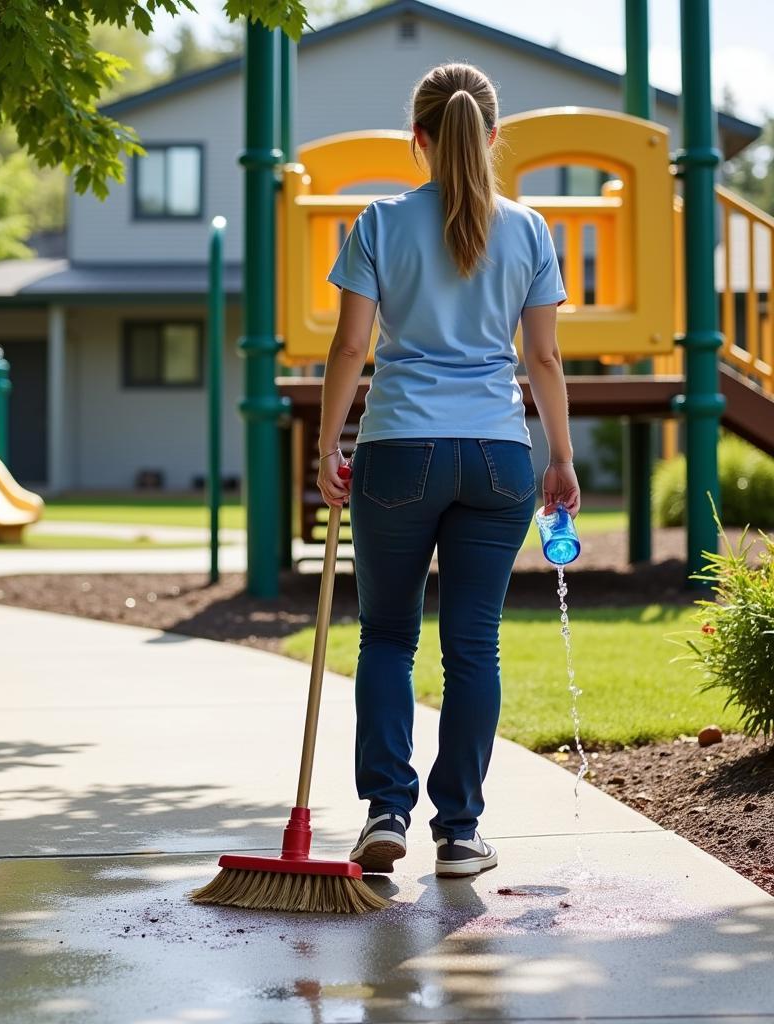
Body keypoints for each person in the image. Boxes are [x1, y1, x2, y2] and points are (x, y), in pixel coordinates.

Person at [316, 61, 580, 879]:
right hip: (498, 456)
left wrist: (328, 443)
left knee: (389, 636)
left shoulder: (380, 223)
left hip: (398, 450)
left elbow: (352, 348)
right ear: (493, 135)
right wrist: (560, 455)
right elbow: (542, 355)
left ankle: (386, 811)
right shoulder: (530, 231)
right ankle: (459, 832)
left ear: (418, 140)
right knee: (475, 648)